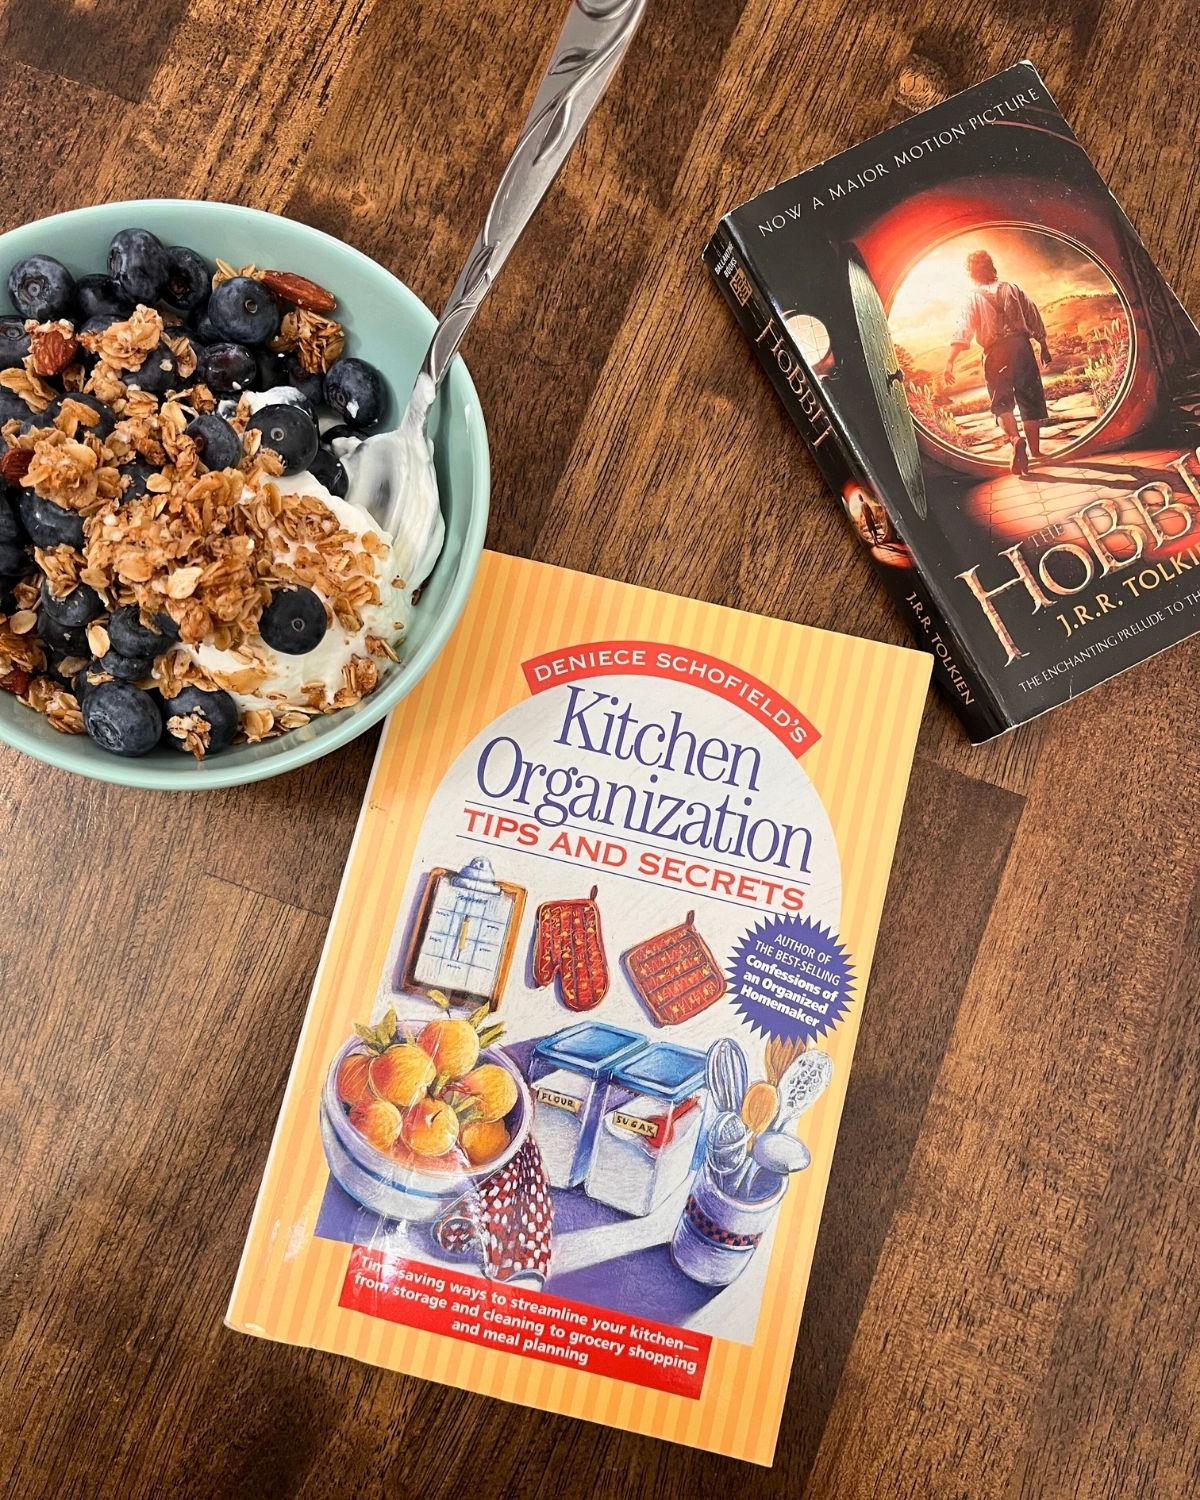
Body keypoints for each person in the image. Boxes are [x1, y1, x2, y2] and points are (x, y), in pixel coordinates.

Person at [943, 250, 1053, 474]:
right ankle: (1036, 451)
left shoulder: (972, 298)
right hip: (1021, 348)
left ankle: (1014, 440)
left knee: (1001, 403)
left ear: (971, 273)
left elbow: (963, 328)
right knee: (1030, 399)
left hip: (994, 354)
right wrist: (1043, 345)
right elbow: (1033, 315)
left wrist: (950, 361)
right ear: (991, 267)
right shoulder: (1012, 288)